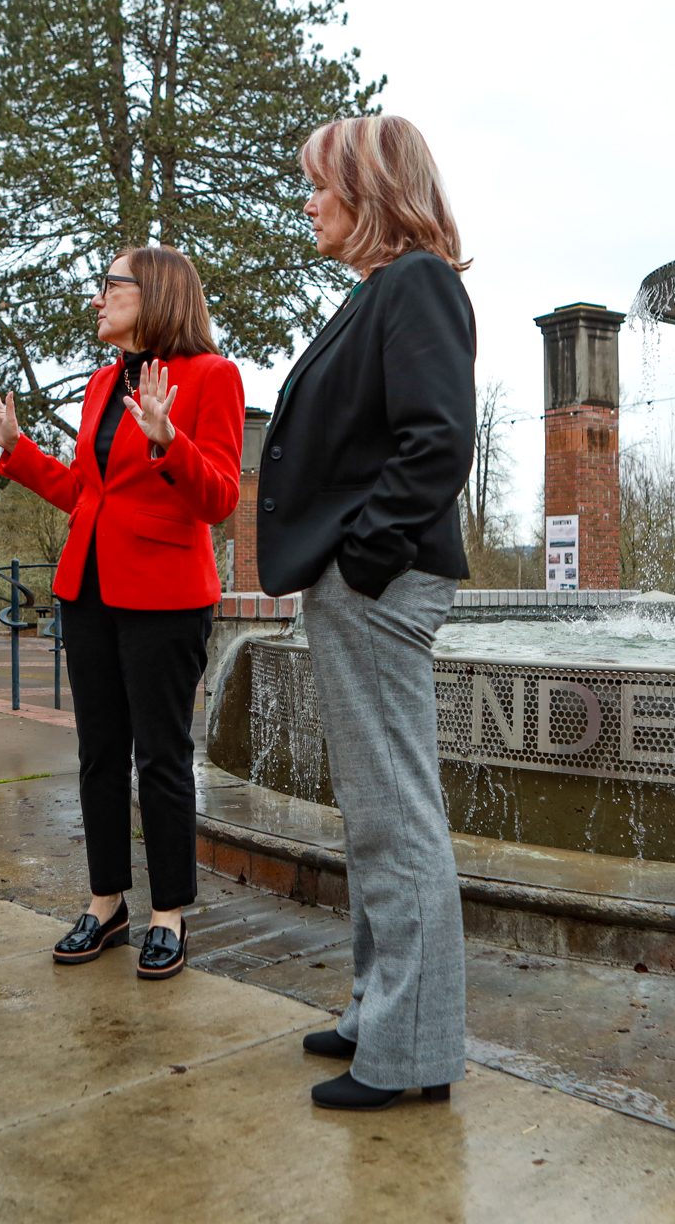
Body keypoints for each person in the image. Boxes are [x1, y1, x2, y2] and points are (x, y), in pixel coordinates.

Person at [255, 116, 476, 1110]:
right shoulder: (382, 292)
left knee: (396, 820)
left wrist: (363, 555)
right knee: (376, 814)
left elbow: (438, 439)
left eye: (318, 184)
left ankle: (408, 1051)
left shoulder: (417, 282)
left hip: (376, 583)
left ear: (371, 191)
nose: (306, 201)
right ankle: (379, 1009)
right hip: (359, 580)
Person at [0, 246, 243, 980]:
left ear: (153, 293)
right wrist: (16, 448)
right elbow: (88, 496)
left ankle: (168, 913)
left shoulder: (210, 376)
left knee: (161, 756)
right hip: (87, 592)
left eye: (109, 286)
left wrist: (168, 439)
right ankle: (106, 903)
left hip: (165, 596)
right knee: (97, 754)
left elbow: (219, 498)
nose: (97, 300)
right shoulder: (100, 385)